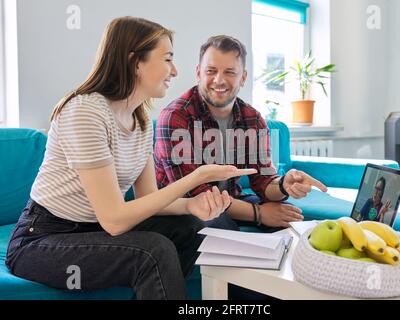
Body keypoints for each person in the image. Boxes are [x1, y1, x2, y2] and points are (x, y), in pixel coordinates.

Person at [5, 17, 255, 300]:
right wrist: (196, 178)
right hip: (42, 238)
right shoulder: (86, 112)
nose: (175, 70)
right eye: (168, 59)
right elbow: (114, 220)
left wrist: (192, 205)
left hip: (94, 231)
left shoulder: (141, 120)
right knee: (152, 251)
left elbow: (147, 198)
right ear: (135, 62)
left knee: (190, 228)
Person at [154, 35, 327, 232]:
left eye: (229, 72)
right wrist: (259, 213)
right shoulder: (175, 116)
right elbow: (196, 195)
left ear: (243, 77)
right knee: (218, 223)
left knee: (289, 217)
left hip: (229, 199)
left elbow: (263, 181)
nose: (219, 80)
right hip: (182, 209)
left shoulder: (251, 118)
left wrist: (283, 185)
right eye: (211, 71)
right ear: (198, 72)